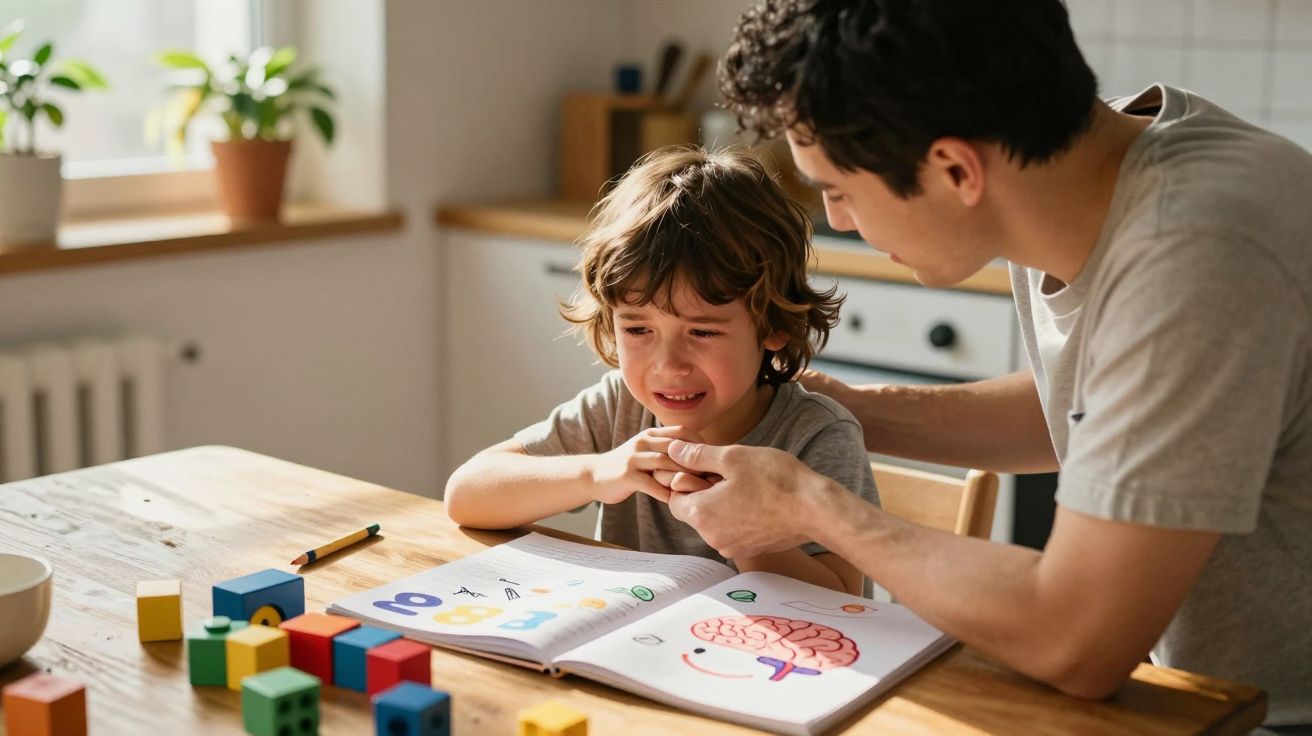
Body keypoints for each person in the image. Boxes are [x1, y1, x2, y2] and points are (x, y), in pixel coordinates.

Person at [661, 0, 1312, 729]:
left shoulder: (1198, 257)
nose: (838, 220)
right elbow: (1114, 417)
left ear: (952, 168)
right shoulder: (1078, 176)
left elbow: (1078, 637)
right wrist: (833, 408)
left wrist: (808, 506)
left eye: (838, 190)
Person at [444, 146, 877, 595]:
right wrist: (599, 474)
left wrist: (744, 532)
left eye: (703, 333)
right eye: (637, 329)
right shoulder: (618, 410)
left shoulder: (816, 436)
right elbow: (467, 495)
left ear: (774, 327)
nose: (668, 365)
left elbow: (843, 600)